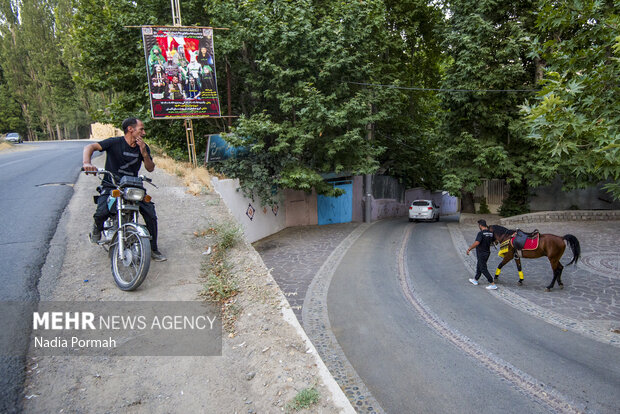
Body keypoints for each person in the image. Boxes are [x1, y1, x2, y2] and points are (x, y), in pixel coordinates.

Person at [82, 118, 166, 262]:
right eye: (141, 129)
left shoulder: (143, 147)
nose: (144, 133)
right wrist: (87, 163)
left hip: (133, 186)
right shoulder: (114, 142)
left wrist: (144, 153)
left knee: (150, 213)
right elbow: (90, 147)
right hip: (112, 185)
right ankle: (97, 227)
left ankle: (153, 248)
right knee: (102, 211)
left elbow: (150, 168)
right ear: (130, 129)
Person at [466, 219, 497, 289]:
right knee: (479, 265)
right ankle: (475, 280)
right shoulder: (491, 233)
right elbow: (494, 241)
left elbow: (477, 243)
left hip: (481, 253)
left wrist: (469, 249)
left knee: (483, 268)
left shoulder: (481, 233)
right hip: (487, 252)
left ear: (480, 225)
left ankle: (492, 284)